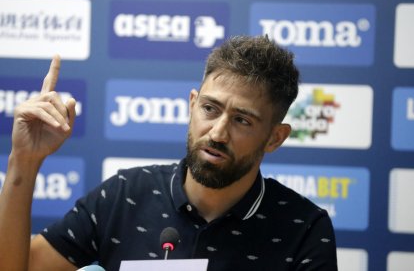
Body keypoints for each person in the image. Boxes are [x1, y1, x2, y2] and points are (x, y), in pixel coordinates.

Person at [0, 35, 337, 270]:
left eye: (242, 120)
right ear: (192, 105)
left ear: (275, 138)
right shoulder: (125, 195)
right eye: (209, 109)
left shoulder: (304, 228)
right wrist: (24, 162)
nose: (218, 133)